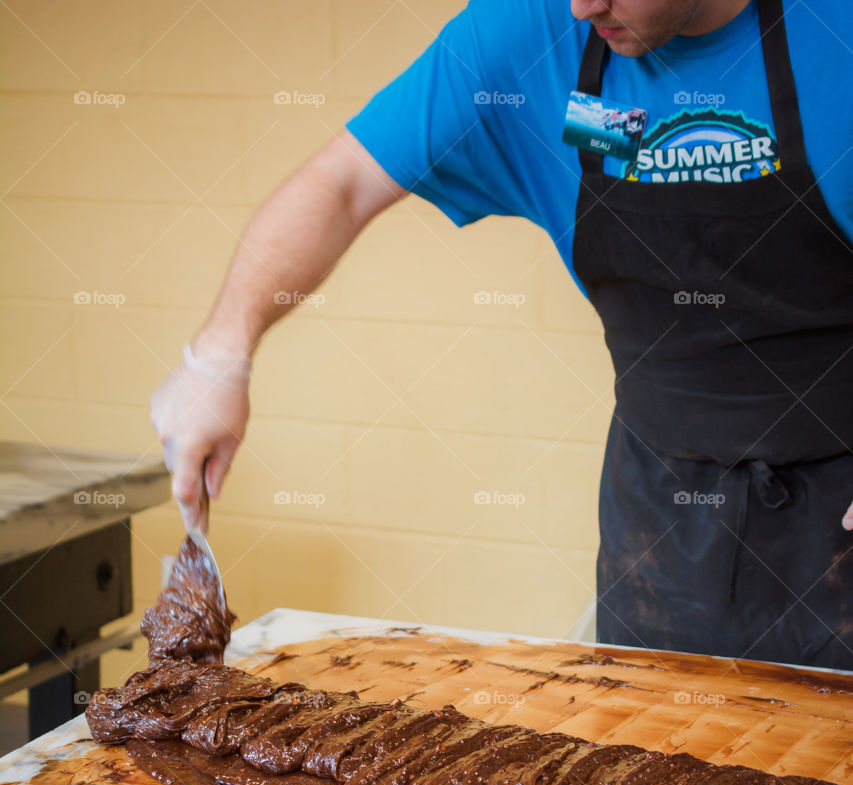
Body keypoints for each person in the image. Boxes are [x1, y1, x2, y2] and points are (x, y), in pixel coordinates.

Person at [150, 0, 853, 670]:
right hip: (660, 520)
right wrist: (219, 354)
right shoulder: (527, 32)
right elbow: (340, 184)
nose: (581, 8)